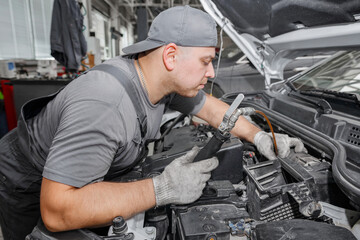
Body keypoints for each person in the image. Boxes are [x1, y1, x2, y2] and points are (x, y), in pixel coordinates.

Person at [0, 5, 306, 239]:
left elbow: (212, 110)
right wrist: (163, 188)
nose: (211, 73)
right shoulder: (105, 104)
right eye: (205, 61)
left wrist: (262, 137)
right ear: (171, 56)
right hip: (27, 178)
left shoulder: (160, 81)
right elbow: (56, 210)